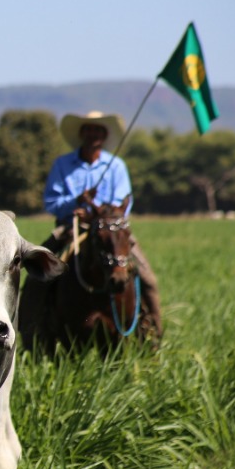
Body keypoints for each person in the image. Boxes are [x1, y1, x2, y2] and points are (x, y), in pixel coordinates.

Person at [41, 110, 162, 338]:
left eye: (98, 130)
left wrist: (99, 213)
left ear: (104, 135)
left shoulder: (116, 165)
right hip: (71, 228)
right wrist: (75, 202)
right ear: (81, 133)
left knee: (147, 277)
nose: (93, 134)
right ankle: (33, 326)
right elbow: (51, 201)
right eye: (88, 129)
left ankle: (152, 329)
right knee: (40, 274)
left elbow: (123, 201)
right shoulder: (63, 164)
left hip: (111, 232)